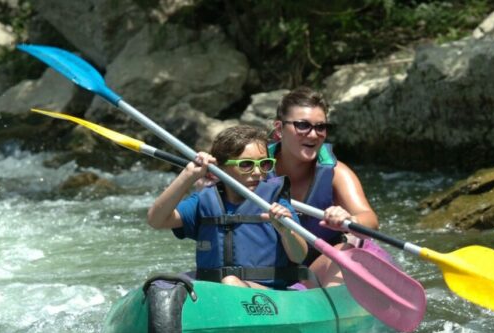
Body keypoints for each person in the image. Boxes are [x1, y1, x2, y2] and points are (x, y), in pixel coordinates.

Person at [147, 125, 308, 289]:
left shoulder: (275, 202)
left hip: (267, 293)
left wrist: (286, 231)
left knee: (230, 282)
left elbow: (299, 256)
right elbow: (156, 220)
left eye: (265, 164)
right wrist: (188, 176)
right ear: (221, 168)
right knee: (160, 286)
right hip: (218, 292)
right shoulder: (204, 201)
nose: (258, 172)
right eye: (246, 164)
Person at [269, 86, 379, 287]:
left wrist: (350, 219)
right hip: (268, 267)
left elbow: (369, 219)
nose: (313, 135)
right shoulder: (252, 169)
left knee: (349, 247)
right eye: (302, 125)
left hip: (320, 265)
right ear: (279, 129)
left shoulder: (337, 173)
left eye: (320, 127)